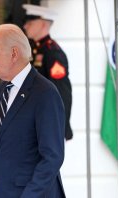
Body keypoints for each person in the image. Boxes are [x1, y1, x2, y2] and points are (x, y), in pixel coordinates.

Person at [0, 24, 65, 197]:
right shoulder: (3, 87)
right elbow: (1, 129)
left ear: (14, 53)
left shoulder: (45, 93)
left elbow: (52, 158)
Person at [23, 4, 73, 140]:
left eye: (30, 22)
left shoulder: (53, 53)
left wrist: (60, 128)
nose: (26, 26)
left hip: (48, 124)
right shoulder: (34, 49)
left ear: (43, 24)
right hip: (35, 121)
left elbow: (61, 93)